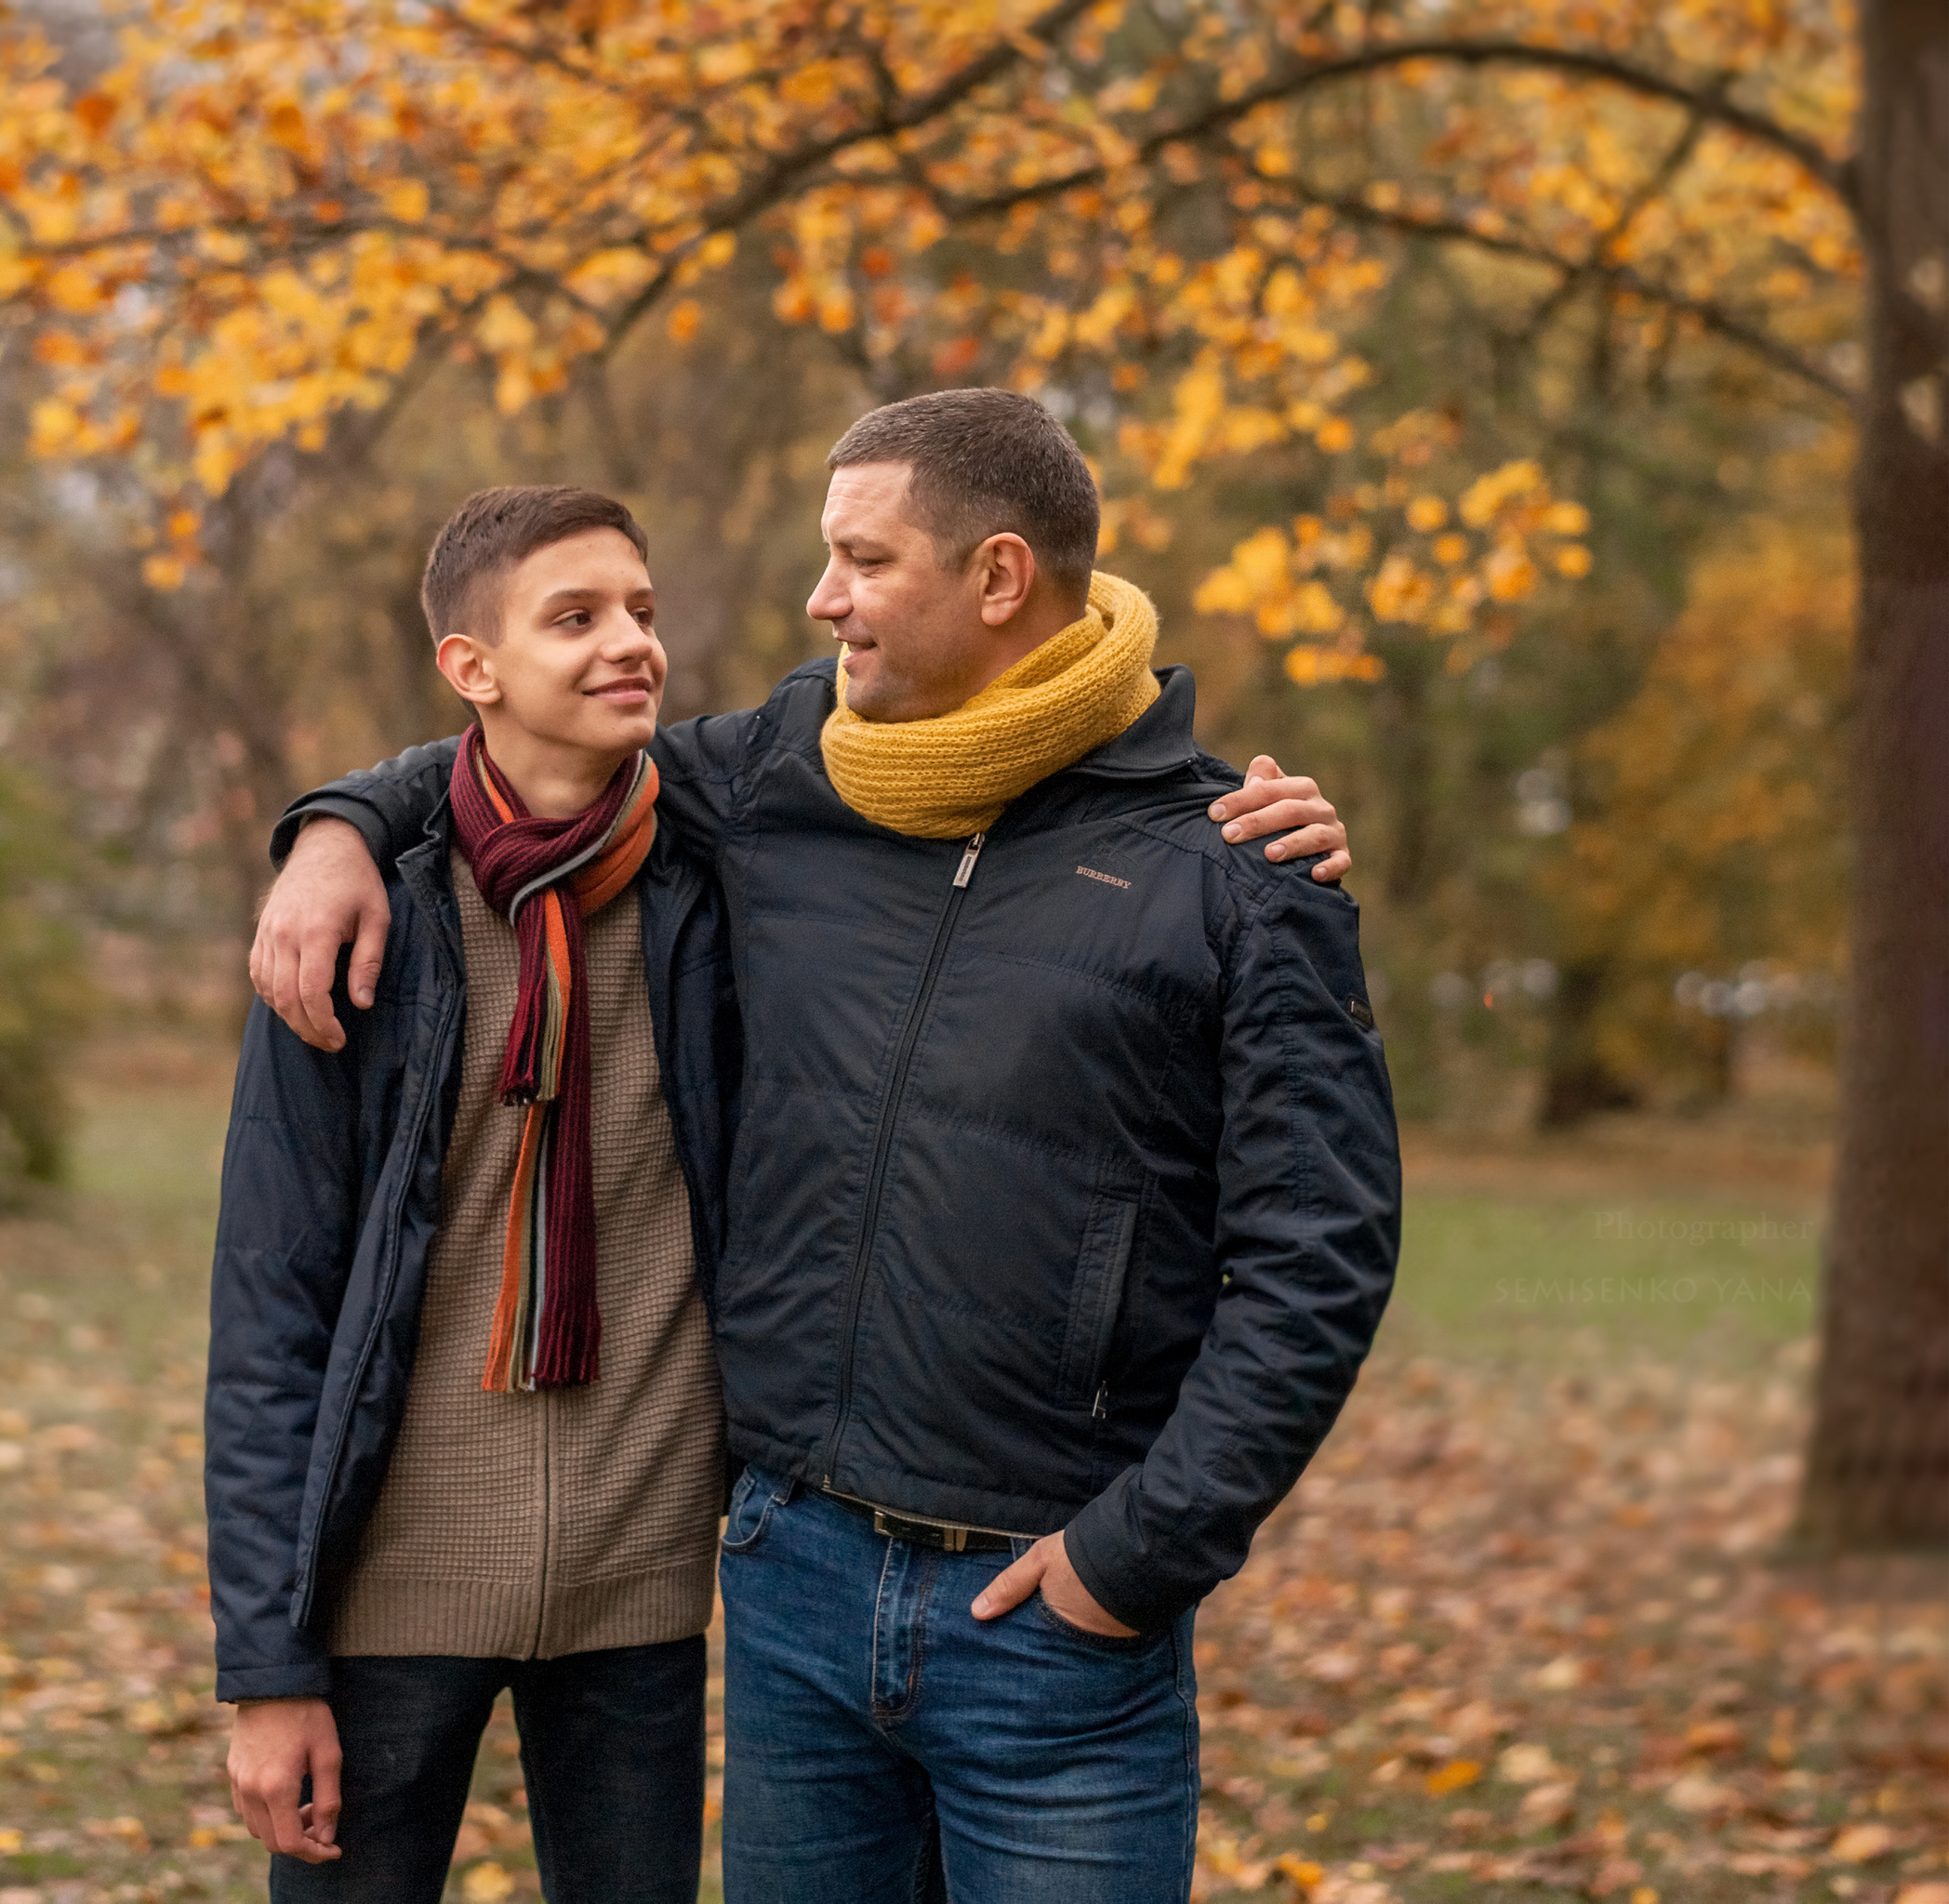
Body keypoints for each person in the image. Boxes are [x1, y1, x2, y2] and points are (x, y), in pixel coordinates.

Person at [246, 390, 1395, 1903]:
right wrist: (333, 829)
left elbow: (1320, 1259)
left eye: (863, 560)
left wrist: (1138, 1558)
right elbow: (534, 750)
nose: (821, 597)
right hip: (795, 1587)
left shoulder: (1238, 868)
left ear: (998, 578)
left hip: (1051, 1623)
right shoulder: (789, 773)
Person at [206, 485, 741, 1903]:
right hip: (387, 1595)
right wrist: (268, 1671)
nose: (630, 643)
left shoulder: (724, 883)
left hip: (640, 1581)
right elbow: (269, 1311)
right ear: (472, 666)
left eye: (641, 610)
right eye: (575, 617)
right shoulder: (351, 929)